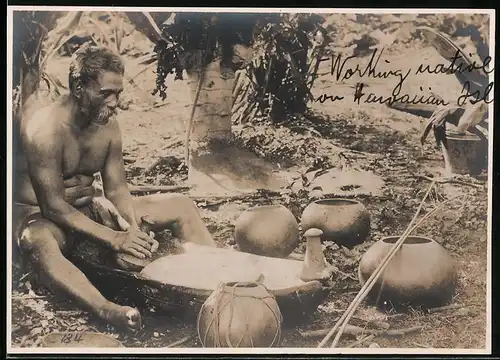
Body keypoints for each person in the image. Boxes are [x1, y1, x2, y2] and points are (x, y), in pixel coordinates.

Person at [13, 45, 216, 332]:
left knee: (181, 204)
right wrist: (114, 238)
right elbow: (53, 206)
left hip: (89, 208)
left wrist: (130, 227)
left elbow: (117, 189)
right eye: (105, 93)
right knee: (38, 242)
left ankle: (221, 282)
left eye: (117, 93)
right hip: (43, 217)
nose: (114, 102)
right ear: (78, 86)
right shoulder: (45, 129)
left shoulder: (108, 126)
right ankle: (107, 310)